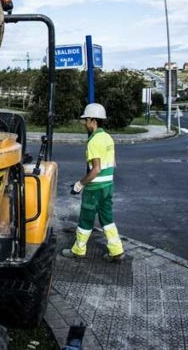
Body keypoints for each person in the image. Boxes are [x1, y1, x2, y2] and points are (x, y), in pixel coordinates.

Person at [61, 103, 125, 262]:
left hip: (95, 189)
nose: (85, 124)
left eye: (86, 120)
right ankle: (116, 251)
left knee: (85, 220)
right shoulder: (108, 138)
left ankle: (78, 250)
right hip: (108, 186)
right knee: (107, 219)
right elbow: (113, 163)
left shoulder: (94, 141)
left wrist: (80, 184)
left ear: (93, 120)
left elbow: (95, 169)